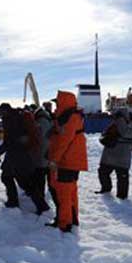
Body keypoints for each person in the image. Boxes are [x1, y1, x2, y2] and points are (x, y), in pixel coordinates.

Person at [0, 103, 47, 212]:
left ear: (5, 112)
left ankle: (42, 206)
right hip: (17, 154)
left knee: (25, 183)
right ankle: (13, 201)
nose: (0, 117)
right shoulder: (18, 116)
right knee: (7, 177)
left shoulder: (10, 120)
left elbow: (9, 140)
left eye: (0, 115)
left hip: (18, 156)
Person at [47, 91, 88, 231]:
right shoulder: (70, 117)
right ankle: (72, 219)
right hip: (71, 161)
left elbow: (64, 141)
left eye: (57, 103)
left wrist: (54, 160)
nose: (56, 106)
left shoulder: (70, 118)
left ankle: (64, 223)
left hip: (67, 161)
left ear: (64, 102)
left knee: (64, 193)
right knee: (70, 192)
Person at [96, 109, 132, 199]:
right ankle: (122, 195)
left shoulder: (119, 121)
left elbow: (117, 134)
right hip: (124, 155)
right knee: (122, 176)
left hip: (111, 154)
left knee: (103, 172)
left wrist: (105, 137)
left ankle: (106, 189)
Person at [31, 104, 54, 214]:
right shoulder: (47, 119)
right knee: (47, 177)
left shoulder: (41, 121)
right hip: (48, 154)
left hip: (42, 156)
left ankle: (42, 205)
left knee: (39, 180)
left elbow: (42, 139)